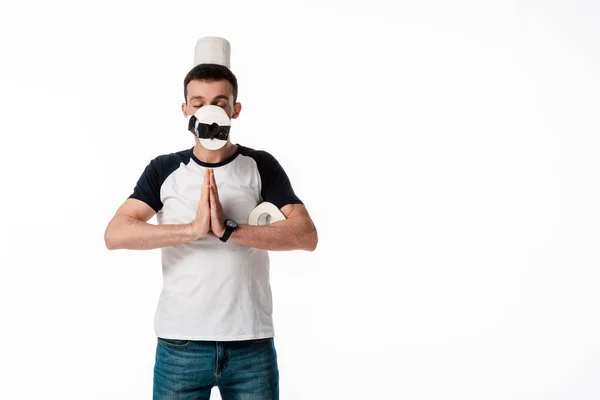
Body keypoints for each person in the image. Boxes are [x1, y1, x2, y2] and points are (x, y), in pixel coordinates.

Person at [104, 62, 318, 400]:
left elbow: (306, 236)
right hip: (181, 345)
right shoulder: (164, 168)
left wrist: (229, 229)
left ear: (235, 109)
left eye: (219, 102)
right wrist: (192, 230)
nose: (209, 111)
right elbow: (115, 234)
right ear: (185, 109)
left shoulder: (260, 165)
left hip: (251, 343)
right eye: (198, 102)